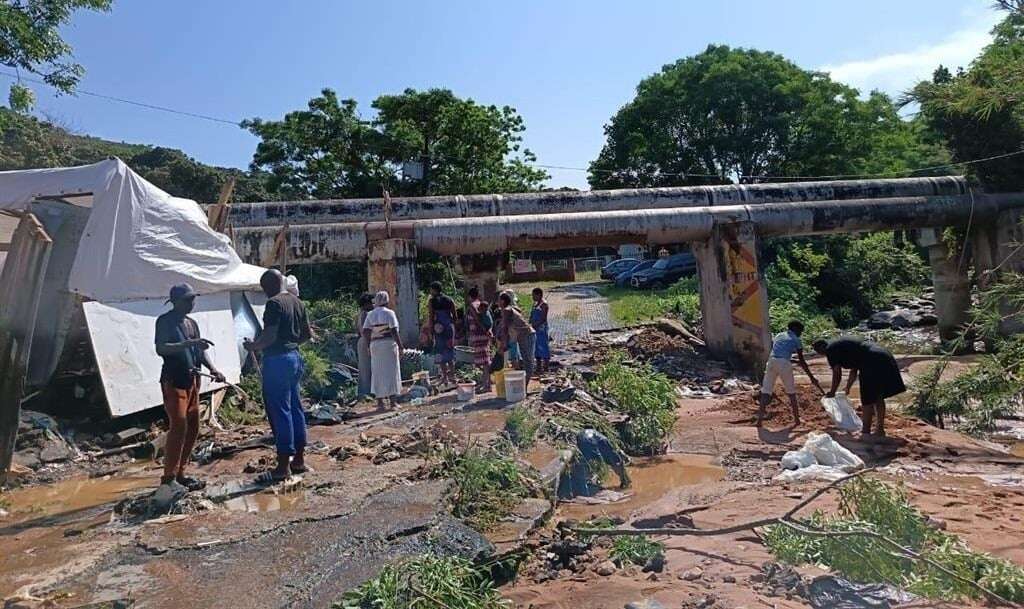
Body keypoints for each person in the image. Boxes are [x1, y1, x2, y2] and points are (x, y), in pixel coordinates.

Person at [155, 283, 225, 492]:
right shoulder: (165, 321)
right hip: (174, 380)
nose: (191, 303)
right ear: (175, 301)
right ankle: (168, 478)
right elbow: (161, 348)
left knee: (193, 427)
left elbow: (200, 351)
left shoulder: (191, 323)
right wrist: (187, 344)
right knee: (179, 426)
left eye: (193, 299)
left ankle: (180, 473)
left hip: (193, 380)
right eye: (187, 300)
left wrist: (213, 369)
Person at [244, 269, 313, 484]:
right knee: (295, 408)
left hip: (277, 360)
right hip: (294, 357)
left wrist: (253, 346)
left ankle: (283, 466)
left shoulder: (273, 304)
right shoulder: (297, 302)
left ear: (268, 286)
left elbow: (270, 335)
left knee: (279, 411)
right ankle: (299, 460)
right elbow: (307, 335)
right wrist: (290, 345)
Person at [812, 336, 907, 439]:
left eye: (819, 352)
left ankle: (865, 431)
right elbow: (854, 370)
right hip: (884, 355)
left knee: (867, 399)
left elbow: (837, 373)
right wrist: (848, 387)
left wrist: (832, 391)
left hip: (871, 361)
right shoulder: (841, 346)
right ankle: (879, 430)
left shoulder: (830, 350)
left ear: (821, 348)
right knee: (878, 396)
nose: (822, 355)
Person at [758, 320, 823, 426]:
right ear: (795, 329)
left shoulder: (779, 335)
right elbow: (802, 361)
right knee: (791, 392)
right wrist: (811, 377)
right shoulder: (796, 340)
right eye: (800, 331)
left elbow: (779, 353)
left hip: (771, 362)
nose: (800, 333)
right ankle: (797, 420)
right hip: (783, 364)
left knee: (766, 391)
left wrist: (793, 361)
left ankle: (759, 421)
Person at [559, 428, 631, 498]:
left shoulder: (600, 439)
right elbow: (617, 463)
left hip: (583, 439)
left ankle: (583, 489)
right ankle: (584, 493)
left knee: (584, 465)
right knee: (588, 464)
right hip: (589, 442)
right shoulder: (607, 444)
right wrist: (624, 478)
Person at [363, 290, 404, 410]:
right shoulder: (390, 313)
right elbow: (394, 331)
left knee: (377, 372)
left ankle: (380, 403)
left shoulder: (370, 314)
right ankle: (393, 403)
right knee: (392, 372)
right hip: (388, 345)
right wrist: (401, 346)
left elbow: (365, 331)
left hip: (375, 344)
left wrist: (368, 344)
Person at [498, 291, 536, 383]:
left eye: (498, 300)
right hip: (522, 336)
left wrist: (504, 344)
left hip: (527, 335)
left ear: (502, 301)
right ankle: (524, 385)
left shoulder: (507, 310)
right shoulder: (507, 310)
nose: (497, 302)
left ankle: (525, 386)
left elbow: (504, 328)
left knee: (528, 361)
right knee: (525, 360)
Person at [428, 281, 457, 386]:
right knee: (449, 351)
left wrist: (431, 331)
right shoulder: (449, 300)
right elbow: (455, 316)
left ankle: (445, 377)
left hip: (438, 329)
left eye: (431, 289)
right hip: (449, 328)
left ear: (435, 290)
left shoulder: (432, 301)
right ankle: (453, 376)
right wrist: (451, 326)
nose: (430, 291)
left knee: (440, 352)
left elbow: (431, 317)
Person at [465, 286, 494, 393]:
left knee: (484, 362)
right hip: (484, 335)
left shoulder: (472, 306)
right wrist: (488, 331)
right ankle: (487, 383)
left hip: (479, 335)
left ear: (470, 297)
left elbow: (477, 320)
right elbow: (489, 319)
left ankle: (486, 385)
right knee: (485, 360)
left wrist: (484, 330)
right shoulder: (482, 304)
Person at [355, 293, 374, 399]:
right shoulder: (366, 314)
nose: (373, 305)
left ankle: (365, 391)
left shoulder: (361, 314)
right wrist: (369, 345)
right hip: (366, 341)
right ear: (366, 303)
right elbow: (365, 331)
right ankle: (367, 392)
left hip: (362, 341)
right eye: (371, 302)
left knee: (364, 367)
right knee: (367, 367)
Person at [530, 287, 551, 375]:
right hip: (535, 328)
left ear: (539, 295)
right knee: (536, 348)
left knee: (544, 347)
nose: (532, 297)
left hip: (541, 329)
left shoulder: (544, 305)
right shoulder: (535, 304)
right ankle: (538, 367)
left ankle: (546, 367)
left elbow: (543, 318)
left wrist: (536, 325)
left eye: (534, 295)